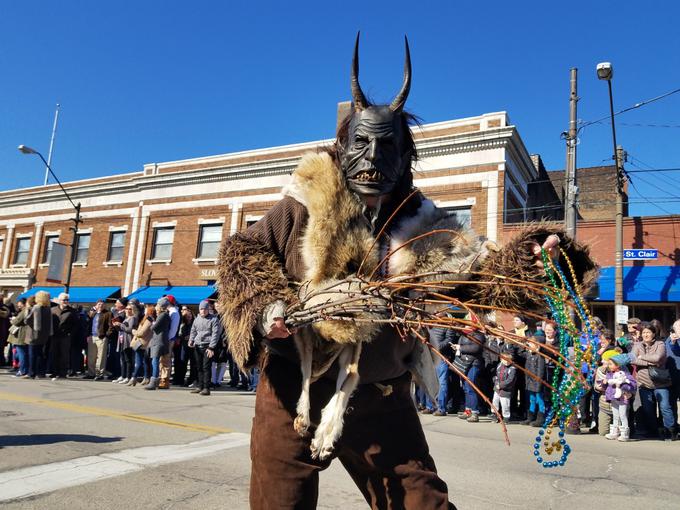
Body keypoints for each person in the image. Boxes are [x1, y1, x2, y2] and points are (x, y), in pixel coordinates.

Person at [216, 35, 596, 510]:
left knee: (423, 505)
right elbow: (242, 253)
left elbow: (483, 276)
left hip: (382, 397)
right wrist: (265, 307)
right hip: (293, 391)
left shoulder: (426, 225)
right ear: (342, 147)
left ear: (406, 157)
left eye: (388, 146)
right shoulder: (302, 204)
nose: (373, 158)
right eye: (362, 144)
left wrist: (539, 263)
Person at [615, 322, 675, 440]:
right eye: (644, 332)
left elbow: (658, 358)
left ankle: (670, 430)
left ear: (654, 333)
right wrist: (649, 362)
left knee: (665, 407)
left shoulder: (660, 344)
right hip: (643, 383)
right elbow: (632, 360)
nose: (646, 334)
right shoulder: (637, 345)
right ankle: (654, 430)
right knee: (648, 410)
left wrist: (641, 358)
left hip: (660, 383)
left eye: (648, 332)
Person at [601, 350, 637, 441]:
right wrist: (604, 383)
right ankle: (615, 432)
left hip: (622, 398)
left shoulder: (625, 375)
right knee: (615, 415)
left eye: (611, 364)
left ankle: (624, 433)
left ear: (618, 365)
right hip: (613, 398)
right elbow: (606, 386)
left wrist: (623, 385)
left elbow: (633, 385)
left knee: (623, 415)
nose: (609, 366)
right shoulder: (609, 374)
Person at [188, 299, 220, 395]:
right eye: (201, 309)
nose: (203, 311)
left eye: (205, 309)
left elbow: (215, 334)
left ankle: (206, 388)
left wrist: (211, 347)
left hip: (208, 346)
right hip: (197, 345)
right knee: (199, 367)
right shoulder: (196, 319)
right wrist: (191, 339)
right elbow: (193, 330)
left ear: (208, 309)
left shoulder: (214, 319)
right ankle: (199, 386)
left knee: (206, 367)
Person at [453, 329, 485, 422]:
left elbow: (476, 348)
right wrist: (457, 347)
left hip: (473, 363)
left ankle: (475, 412)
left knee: (470, 386)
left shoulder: (478, 335)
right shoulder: (463, 334)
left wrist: (460, 348)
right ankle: (468, 410)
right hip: (464, 363)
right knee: (466, 388)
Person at [519, 331, 547, 427]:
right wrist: (523, 344)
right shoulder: (529, 355)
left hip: (537, 382)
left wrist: (539, 383)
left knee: (539, 399)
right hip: (530, 381)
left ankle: (541, 418)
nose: (529, 346)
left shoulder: (540, 357)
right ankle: (530, 417)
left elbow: (540, 371)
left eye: (531, 344)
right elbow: (520, 352)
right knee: (532, 400)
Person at [50, 293, 78, 380]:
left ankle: (63, 373)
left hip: (65, 336)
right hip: (54, 335)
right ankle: (54, 372)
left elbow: (76, 324)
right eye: (64, 300)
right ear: (59, 301)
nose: (65, 301)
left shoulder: (72, 311)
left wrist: (70, 333)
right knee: (54, 354)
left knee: (64, 355)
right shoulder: (53, 310)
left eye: (67, 300)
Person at [25, 291, 52, 379]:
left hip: (34, 334)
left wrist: (28, 310)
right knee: (40, 354)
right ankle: (41, 373)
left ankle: (31, 373)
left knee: (32, 354)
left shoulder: (36, 307)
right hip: (44, 335)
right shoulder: (48, 308)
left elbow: (27, 320)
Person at [84, 300, 113, 380]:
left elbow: (111, 326)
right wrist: (92, 311)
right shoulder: (93, 313)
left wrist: (106, 335)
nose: (100, 305)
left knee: (101, 357)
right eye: (99, 304)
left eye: (102, 304)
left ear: (105, 305)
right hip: (92, 337)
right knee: (91, 356)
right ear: (96, 305)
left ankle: (99, 374)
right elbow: (87, 321)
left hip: (102, 337)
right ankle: (91, 373)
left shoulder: (108, 313)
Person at [146, 297, 171, 391]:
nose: (156, 306)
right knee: (159, 361)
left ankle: (153, 381)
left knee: (155, 361)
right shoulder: (164, 315)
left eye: (157, 304)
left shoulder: (163, 315)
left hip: (159, 341)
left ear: (160, 306)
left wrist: (152, 321)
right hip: (161, 340)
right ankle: (158, 381)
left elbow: (153, 327)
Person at [129, 304, 155, 386]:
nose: (144, 311)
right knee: (145, 362)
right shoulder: (149, 319)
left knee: (138, 362)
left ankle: (134, 378)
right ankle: (146, 378)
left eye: (146, 309)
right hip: (145, 343)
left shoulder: (148, 320)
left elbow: (141, 333)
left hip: (142, 343)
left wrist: (134, 332)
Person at [159, 295, 180, 389]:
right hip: (165, 338)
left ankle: (165, 379)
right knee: (162, 360)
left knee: (166, 360)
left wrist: (168, 338)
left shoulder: (174, 312)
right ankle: (161, 377)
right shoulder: (169, 312)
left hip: (168, 339)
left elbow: (173, 329)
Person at [116, 301, 140, 384]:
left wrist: (120, 325)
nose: (127, 310)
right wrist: (117, 325)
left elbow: (130, 329)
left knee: (128, 359)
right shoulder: (126, 318)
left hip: (128, 340)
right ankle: (123, 376)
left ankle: (128, 376)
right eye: (126, 308)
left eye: (129, 309)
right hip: (122, 339)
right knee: (122, 359)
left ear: (133, 310)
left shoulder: (132, 318)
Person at [492, 349, 517, 423]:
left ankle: (506, 417)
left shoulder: (512, 369)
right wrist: (496, 383)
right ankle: (495, 414)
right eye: (504, 360)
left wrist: (501, 385)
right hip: (497, 388)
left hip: (506, 390)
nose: (506, 362)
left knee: (505, 403)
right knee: (495, 401)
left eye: (508, 360)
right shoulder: (499, 365)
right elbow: (496, 375)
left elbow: (510, 380)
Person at [8, 298, 30, 377]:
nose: (18, 304)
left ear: (23, 303)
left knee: (21, 353)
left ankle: (22, 370)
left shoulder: (24, 311)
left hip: (21, 335)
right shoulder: (27, 311)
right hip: (24, 335)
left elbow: (16, 322)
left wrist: (13, 320)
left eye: (19, 303)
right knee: (21, 353)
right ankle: (24, 369)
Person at [174, 306, 195, 386]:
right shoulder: (182, 325)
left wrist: (190, 336)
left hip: (192, 346)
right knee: (183, 363)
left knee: (193, 364)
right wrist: (183, 337)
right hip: (184, 346)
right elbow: (179, 334)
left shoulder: (194, 323)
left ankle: (191, 379)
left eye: (190, 316)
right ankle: (181, 379)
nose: (188, 317)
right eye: (187, 316)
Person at [666, 319, 680, 434]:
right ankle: (674, 426)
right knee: (672, 402)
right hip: (673, 375)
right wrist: (673, 342)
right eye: (677, 328)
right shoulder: (670, 340)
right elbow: (670, 351)